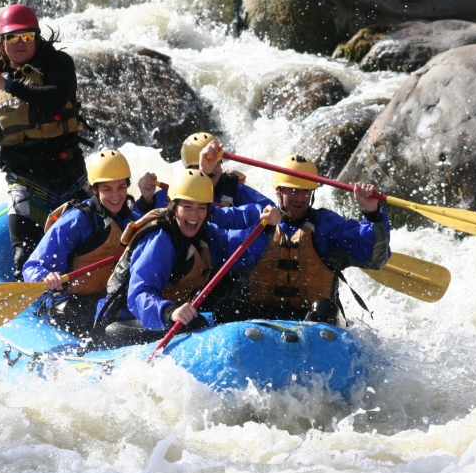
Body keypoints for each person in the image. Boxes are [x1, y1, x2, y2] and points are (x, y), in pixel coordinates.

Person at [0, 4, 92, 281]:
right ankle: (26, 299)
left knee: (82, 247)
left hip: (68, 173)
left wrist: (9, 85)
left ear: (37, 37)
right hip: (25, 179)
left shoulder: (59, 64)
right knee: (23, 255)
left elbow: (55, 97)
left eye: (26, 36)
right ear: (2, 41)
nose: (20, 43)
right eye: (12, 38)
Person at [94, 169, 282, 346]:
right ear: (173, 207)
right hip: (124, 322)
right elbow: (139, 294)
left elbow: (240, 254)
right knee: (194, 324)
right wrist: (169, 311)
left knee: (230, 304)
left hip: (164, 317)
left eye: (201, 208)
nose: (194, 215)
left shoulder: (203, 232)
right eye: (187, 206)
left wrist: (265, 227)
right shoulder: (159, 239)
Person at [213, 154, 391, 325]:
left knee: (324, 308)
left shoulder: (325, 226)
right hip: (259, 319)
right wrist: (209, 176)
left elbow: (374, 258)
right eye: (292, 191)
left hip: (311, 322)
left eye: (305, 192)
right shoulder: (258, 217)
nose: (299, 198)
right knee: (226, 307)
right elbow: (216, 239)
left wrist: (372, 213)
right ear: (278, 191)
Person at [22, 149, 152, 337]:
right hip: (69, 303)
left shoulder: (129, 219)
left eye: (121, 187)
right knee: (112, 316)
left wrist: (147, 200)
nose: (116, 196)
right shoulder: (76, 221)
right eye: (107, 189)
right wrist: (45, 277)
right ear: (94, 189)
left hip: (106, 299)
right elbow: (33, 266)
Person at [137, 132, 274, 229]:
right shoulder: (176, 192)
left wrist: (272, 214)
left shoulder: (232, 186)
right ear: (188, 170)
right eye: (199, 166)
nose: (211, 169)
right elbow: (136, 221)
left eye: (215, 163)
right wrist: (146, 201)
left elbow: (269, 208)